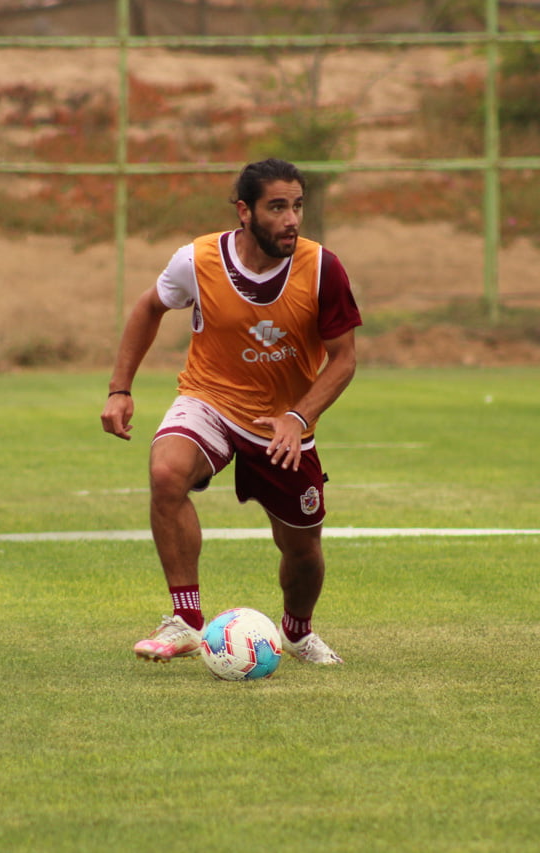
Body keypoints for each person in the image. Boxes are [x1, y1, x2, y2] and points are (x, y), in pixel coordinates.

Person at [100, 158, 362, 666]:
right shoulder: (197, 260)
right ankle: (186, 620)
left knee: (303, 550)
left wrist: (298, 418)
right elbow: (149, 307)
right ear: (245, 211)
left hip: (283, 425)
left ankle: (297, 632)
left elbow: (344, 360)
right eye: (277, 207)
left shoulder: (322, 269)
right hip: (210, 400)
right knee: (166, 472)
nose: (292, 219)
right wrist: (120, 389)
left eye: (298, 206)